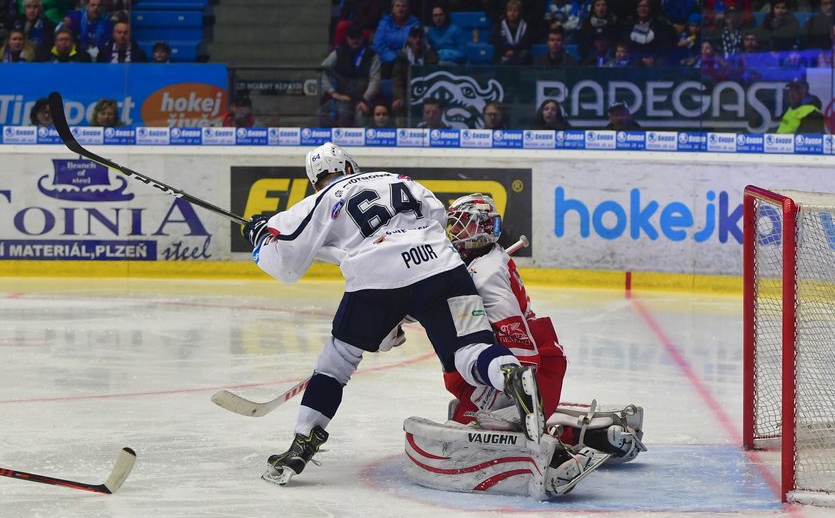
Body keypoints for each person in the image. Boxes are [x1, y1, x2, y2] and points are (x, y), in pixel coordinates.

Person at [242, 143, 590, 492]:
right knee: (469, 350)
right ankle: (510, 374)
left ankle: (301, 445)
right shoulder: (399, 180)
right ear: (351, 165)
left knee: (337, 362)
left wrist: (259, 235)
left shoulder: (322, 199)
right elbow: (437, 218)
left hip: (377, 280)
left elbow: (284, 261)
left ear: (314, 180)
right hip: (443, 268)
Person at [442, 193, 646, 463]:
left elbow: (517, 342)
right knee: (480, 414)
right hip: (534, 357)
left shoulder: (486, 275)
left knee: (472, 426)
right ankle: (597, 432)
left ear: (482, 227)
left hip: (530, 363)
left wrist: (519, 395)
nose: (453, 231)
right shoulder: (484, 259)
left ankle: (564, 451)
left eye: (461, 224)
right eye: (454, 224)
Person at [321, 23, 382, 126]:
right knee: (343, 114)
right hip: (342, 97)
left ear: (362, 38)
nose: (355, 40)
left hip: (364, 97)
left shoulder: (372, 55)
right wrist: (333, 93)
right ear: (347, 38)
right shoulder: (338, 53)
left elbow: (375, 80)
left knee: (362, 115)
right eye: (351, 37)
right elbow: (321, 70)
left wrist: (365, 99)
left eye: (358, 37)